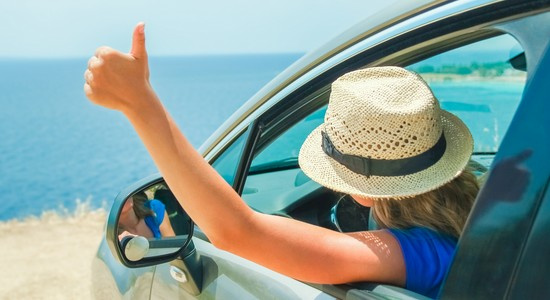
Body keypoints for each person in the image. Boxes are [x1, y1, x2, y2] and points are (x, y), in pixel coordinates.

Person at [84, 23, 479, 298]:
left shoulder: (417, 252)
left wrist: (139, 103)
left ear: (358, 193)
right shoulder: (488, 210)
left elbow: (241, 233)